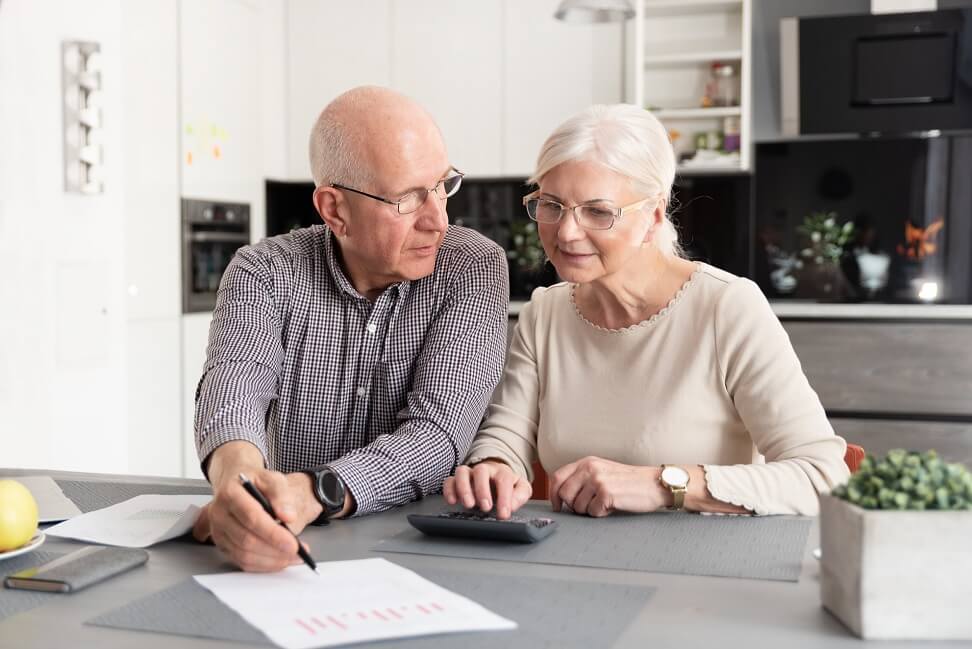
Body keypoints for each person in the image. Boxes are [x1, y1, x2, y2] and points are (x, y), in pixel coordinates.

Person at [444, 104, 849, 520]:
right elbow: (507, 437)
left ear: (652, 217)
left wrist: (664, 484)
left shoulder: (727, 307)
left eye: (598, 212)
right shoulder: (544, 314)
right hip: (577, 566)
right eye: (551, 205)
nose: (565, 232)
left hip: (702, 572)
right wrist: (491, 468)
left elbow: (823, 477)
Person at [192, 86, 509, 571]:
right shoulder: (263, 271)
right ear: (335, 209)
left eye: (443, 185)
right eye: (408, 199)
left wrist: (313, 491)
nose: (438, 220)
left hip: (429, 552)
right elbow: (234, 392)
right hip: (292, 548)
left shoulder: (472, 266)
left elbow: (437, 434)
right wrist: (241, 487)